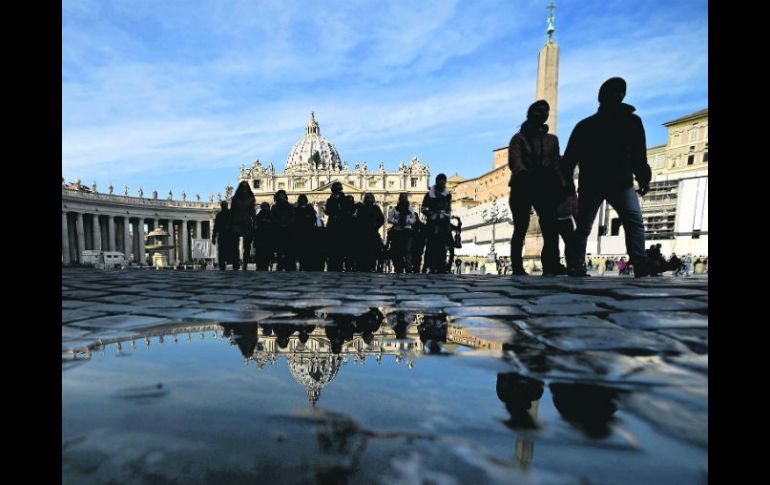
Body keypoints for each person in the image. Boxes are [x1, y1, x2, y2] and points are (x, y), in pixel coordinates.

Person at [561, 77, 653, 277]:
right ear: (602, 96)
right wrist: (643, 176)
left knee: (588, 227)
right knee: (629, 223)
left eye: (621, 91)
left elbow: (639, 154)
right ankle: (638, 261)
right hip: (608, 182)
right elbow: (638, 155)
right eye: (615, 90)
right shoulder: (592, 125)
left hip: (605, 182)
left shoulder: (588, 125)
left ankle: (577, 265)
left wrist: (643, 176)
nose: (618, 94)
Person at [508, 100, 567, 277]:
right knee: (521, 227)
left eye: (546, 111)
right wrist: (524, 173)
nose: (543, 113)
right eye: (539, 110)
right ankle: (517, 267)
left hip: (545, 187)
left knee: (550, 226)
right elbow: (515, 161)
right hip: (522, 185)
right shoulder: (518, 138)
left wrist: (562, 183)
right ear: (530, 113)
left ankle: (551, 264)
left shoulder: (552, 140)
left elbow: (556, 164)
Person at [421, 173, 453, 273]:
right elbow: (423, 208)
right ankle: (427, 266)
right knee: (430, 245)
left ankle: (442, 265)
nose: (442, 183)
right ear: (437, 181)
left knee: (444, 244)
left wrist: (447, 215)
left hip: (443, 221)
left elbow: (448, 208)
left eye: (444, 181)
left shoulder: (448, 195)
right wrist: (430, 212)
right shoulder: (429, 195)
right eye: (440, 181)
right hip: (432, 222)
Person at [230, 181, 257, 270]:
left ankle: (245, 263)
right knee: (234, 245)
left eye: (246, 188)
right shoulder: (235, 198)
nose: (244, 190)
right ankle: (235, 263)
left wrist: (255, 222)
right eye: (243, 188)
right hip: (236, 222)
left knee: (247, 246)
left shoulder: (251, 198)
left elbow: (253, 211)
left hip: (247, 222)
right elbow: (232, 211)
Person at [354, 193, 385, 272]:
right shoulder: (361, 208)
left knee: (372, 250)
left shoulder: (376, 208)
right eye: (367, 198)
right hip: (363, 233)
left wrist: (376, 227)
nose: (369, 200)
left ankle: (372, 265)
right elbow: (356, 219)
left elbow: (381, 220)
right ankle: (364, 266)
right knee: (363, 250)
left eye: (370, 198)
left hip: (372, 232)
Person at [388, 192, 418, 273]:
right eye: (402, 197)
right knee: (398, 250)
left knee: (407, 249)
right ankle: (399, 266)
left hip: (407, 231)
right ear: (399, 198)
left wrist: (407, 221)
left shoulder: (410, 209)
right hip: (397, 231)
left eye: (405, 197)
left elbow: (414, 219)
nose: (403, 198)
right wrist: (397, 221)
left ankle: (408, 266)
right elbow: (389, 219)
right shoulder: (395, 209)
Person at [270, 190, 296, 271]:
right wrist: (280, 224)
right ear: (277, 197)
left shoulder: (291, 206)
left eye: (283, 196)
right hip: (278, 230)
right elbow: (272, 217)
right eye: (280, 196)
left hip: (289, 229)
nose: (282, 197)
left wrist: (287, 223)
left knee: (289, 249)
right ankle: (280, 264)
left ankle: (289, 265)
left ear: (285, 197)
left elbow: (293, 216)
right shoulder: (274, 207)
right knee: (279, 249)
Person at [293, 194, 320, 270]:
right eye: (301, 200)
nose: (303, 201)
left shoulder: (309, 208)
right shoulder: (297, 208)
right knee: (301, 249)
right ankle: (302, 264)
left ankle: (306, 264)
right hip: (300, 231)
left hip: (308, 231)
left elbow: (314, 218)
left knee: (307, 249)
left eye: (304, 200)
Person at [324, 182, 347, 271]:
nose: (336, 191)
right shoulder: (330, 199)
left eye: (337, 189)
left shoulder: (344, 199)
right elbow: (327, 210)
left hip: (341, 225)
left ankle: (339, 265)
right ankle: (332, 265)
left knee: (340, 247)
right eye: (334, 189)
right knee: (332, 246)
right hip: (332, 225)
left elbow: (346, 210)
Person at [212, 200, 237, 270]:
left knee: (222, 251)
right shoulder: (231, 214)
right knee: (232, 250)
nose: (223, 207)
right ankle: (235, 265)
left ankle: (222, 266)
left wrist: (213, 236)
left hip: (223, 235)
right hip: (229, 235)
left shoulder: (219, 215)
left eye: (223, 206)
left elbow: (215, 227)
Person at [253, 202, 273, 270]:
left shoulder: (261, 215)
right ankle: (262, 265)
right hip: (263, 238)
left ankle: (262, 265)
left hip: (265, 238)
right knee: (263, 253)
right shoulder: (261, 215)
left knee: (264, 253)